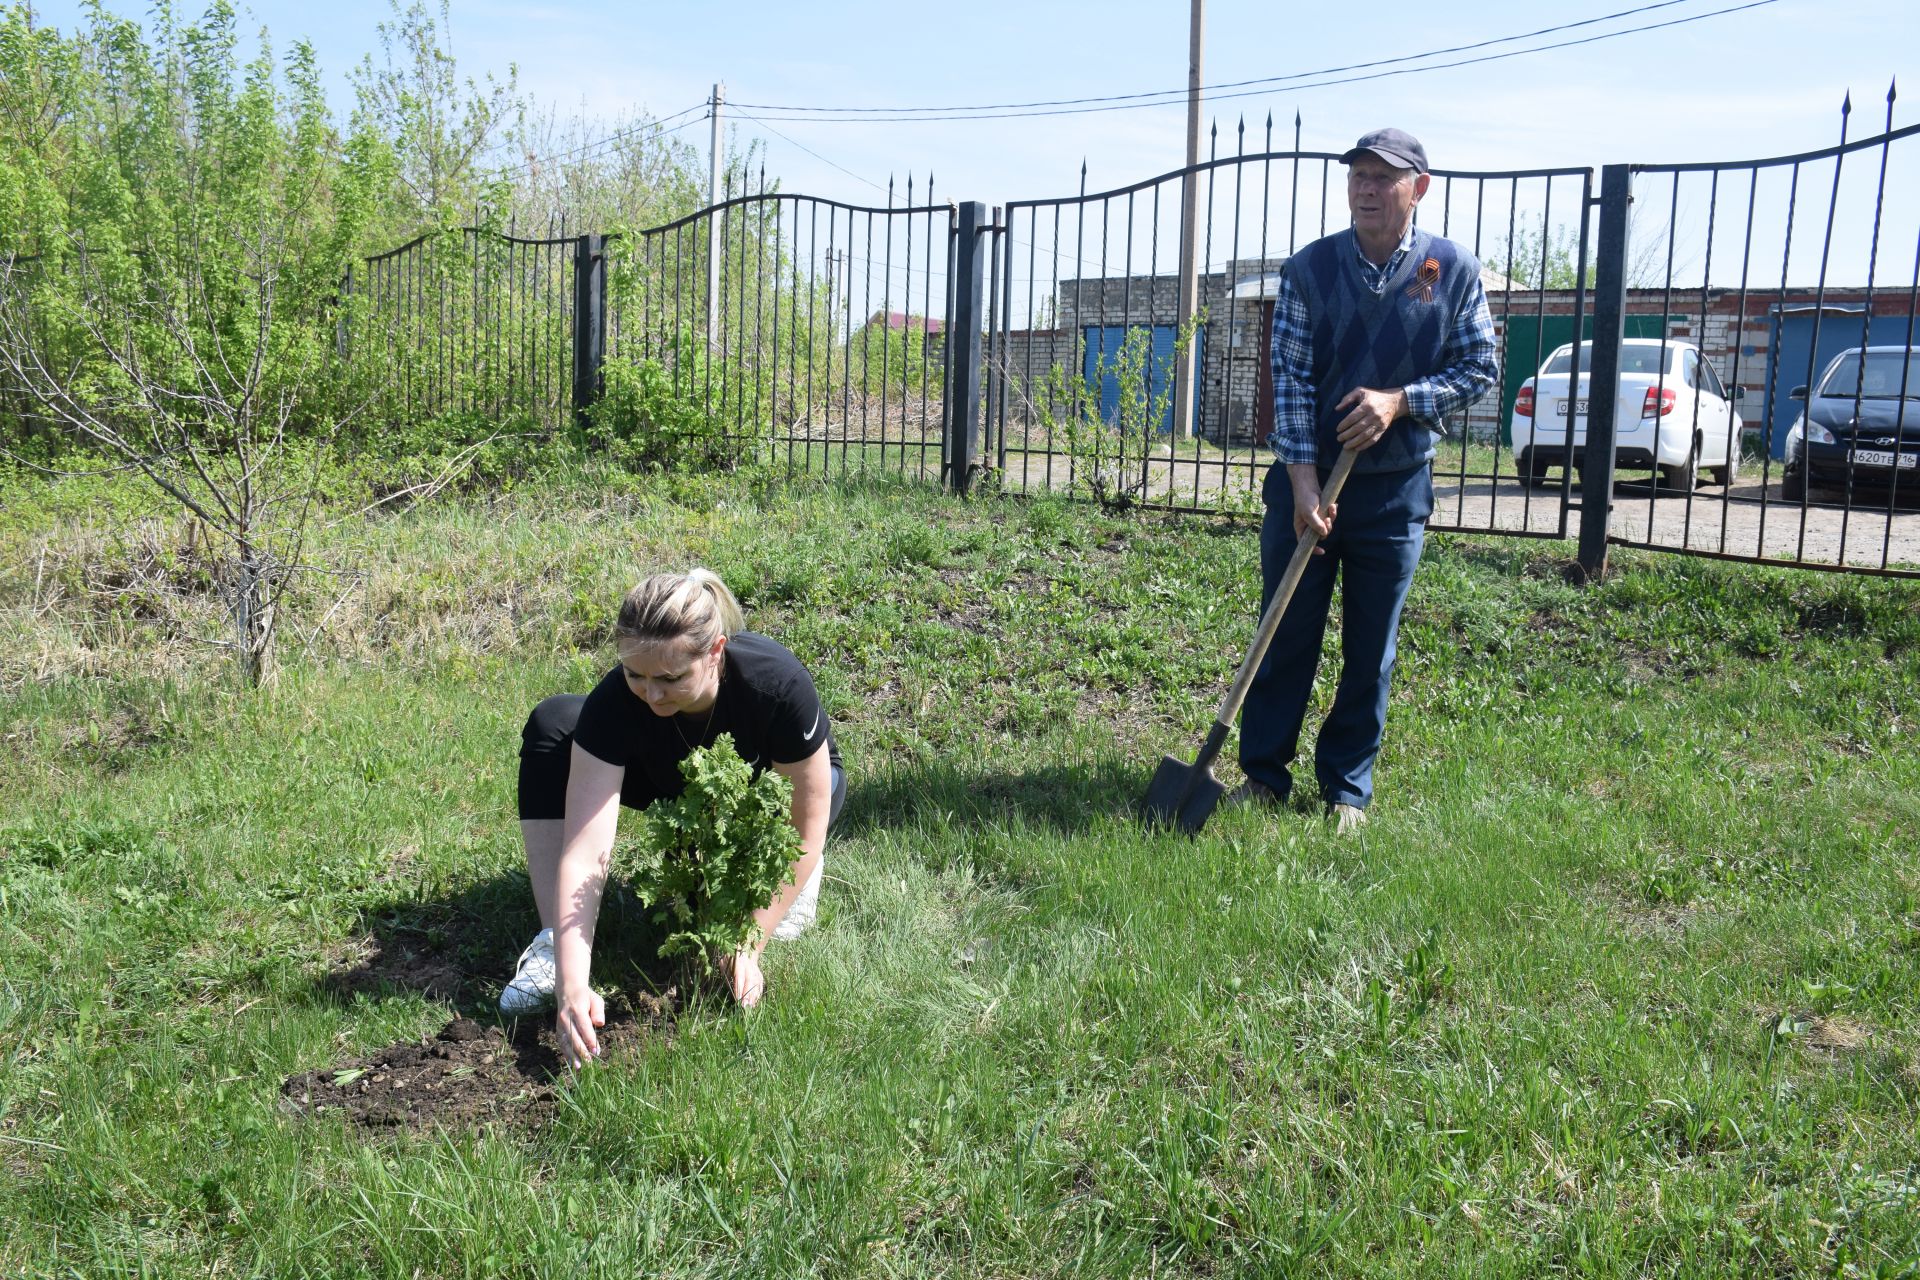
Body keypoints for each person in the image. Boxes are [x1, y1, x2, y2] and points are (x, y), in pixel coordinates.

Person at [1235, 127, 1497, 831]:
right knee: (1286, 629)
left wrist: (1400, 401)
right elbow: (1288, 380)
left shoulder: (1454, 271)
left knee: (1370, 645)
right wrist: (1302, 485)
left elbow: (1479, 368)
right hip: (1309, 482)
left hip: (1394, 490)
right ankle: (1263, 776)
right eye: (1358, 176)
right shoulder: (1309, 271)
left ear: (1420, 188)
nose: (1367, 189)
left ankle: (1347, 790)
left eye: (1384, 178)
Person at [501, 568, 844, 1066]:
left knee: (759, 912)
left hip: (772, 794)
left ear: (715, 652)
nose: (652, 695)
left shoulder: (777, 685)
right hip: (675, 779)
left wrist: (747, 942)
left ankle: (792, 889)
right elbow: (586, 853)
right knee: (555, 722)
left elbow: (806, 828)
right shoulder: (616, 703)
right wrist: (572, 985)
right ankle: (555, 944)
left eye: (670, 678)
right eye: (635, 675)